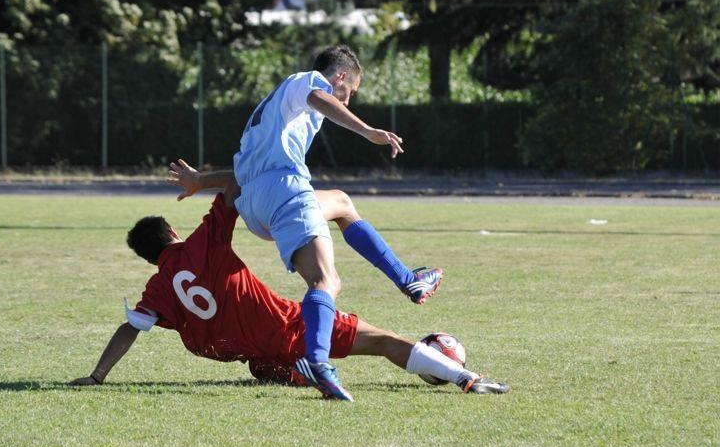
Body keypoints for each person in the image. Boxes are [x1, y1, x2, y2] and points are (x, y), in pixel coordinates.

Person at [69, 170, 508, 396]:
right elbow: (234, 186)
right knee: (384, 341)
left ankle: (291, 369)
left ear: (150, 257)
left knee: (262, 363)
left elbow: (132, 327)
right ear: (172, 233)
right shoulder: (200, 243)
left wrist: (97, 375)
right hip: (288, 327)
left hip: (246, 351)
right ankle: (464, 377)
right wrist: (202, 181)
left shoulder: (157, 288)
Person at [231, 45, 444, 400]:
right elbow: (320, 97)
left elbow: (245, 173)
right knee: (326, 281)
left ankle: (410, 280)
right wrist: (368, 131)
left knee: (341, 203)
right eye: (351, 91)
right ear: (340, 76)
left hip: (254, 206)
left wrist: (200, 181)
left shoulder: (271, 108)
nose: (348, 99)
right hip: (283, 191)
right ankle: (316, 361)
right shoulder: (308, 81)